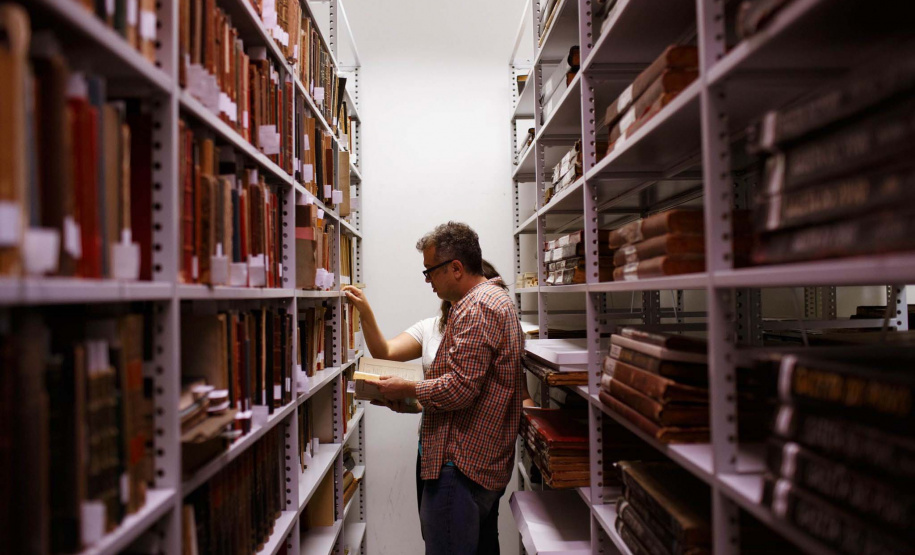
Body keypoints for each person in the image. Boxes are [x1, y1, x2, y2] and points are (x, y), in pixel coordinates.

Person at [370, 221, 525, 555]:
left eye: (430, 272)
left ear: (455, 268)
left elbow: (459, 389)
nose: (428, 281)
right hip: (477, 464)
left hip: (461, 467)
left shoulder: (479, 306)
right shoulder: (486, 302)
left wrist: (407, 387)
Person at [342, 260, 534, 528]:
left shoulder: (488, 316)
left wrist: (538, 434)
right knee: (439, 532)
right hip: (433, 448)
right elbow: (385, 352)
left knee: (468, 538)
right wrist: (364, 310)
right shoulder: (432, 328)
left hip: (468, 458)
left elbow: (493, 389)